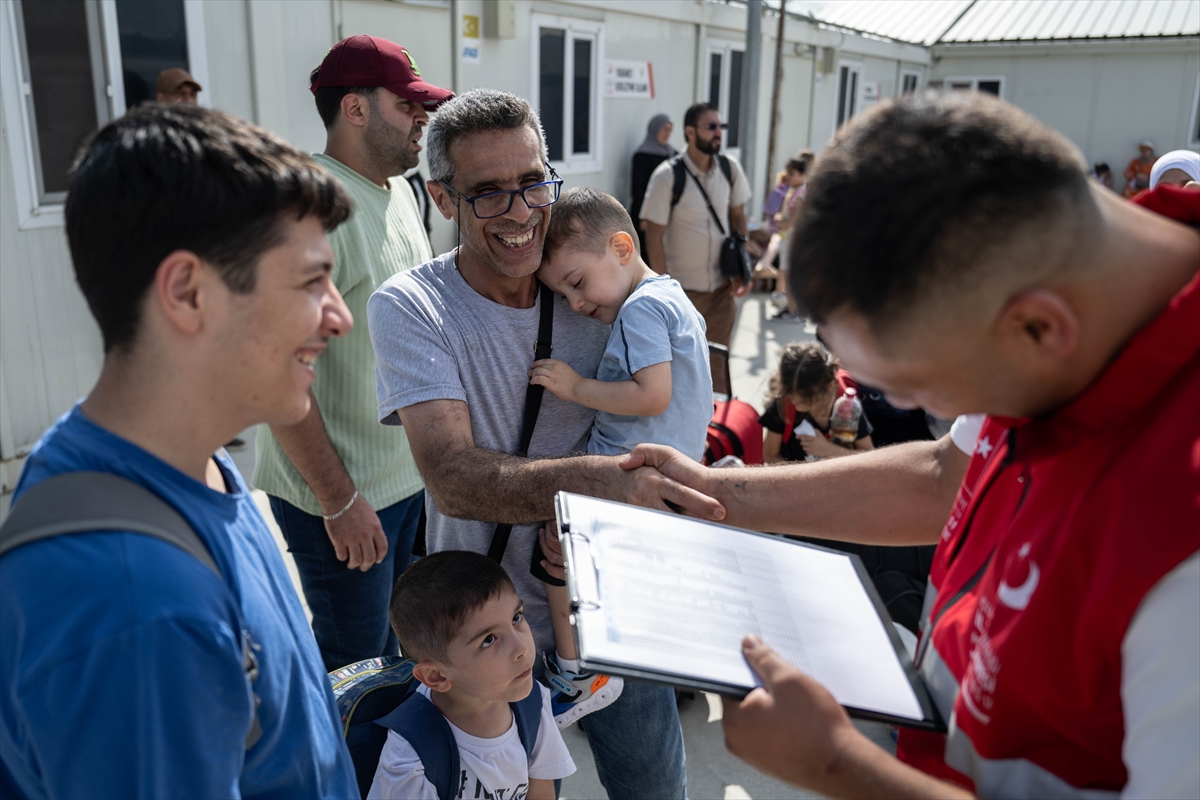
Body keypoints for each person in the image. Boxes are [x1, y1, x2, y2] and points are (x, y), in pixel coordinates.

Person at [622, 91, 1200, 798]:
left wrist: (839, 766)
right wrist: (719, 493)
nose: (916, 411)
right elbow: (941, 474)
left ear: (1039, 328)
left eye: (921, 386)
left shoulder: (1184, 550)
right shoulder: (1072, 302)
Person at [367, 88, 723, 800]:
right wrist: (614, 484)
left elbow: (676, 401)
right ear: (442, 199)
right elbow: (454, 478)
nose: (521, 211)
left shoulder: (590, 284)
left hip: (615, 607)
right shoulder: (413, 306)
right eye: (488, 193)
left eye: (533, 183)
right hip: (485, 635)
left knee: (653, 787)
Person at [0, 104, 358, 798]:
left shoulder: (172, 464)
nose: (339, 315)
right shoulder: (138, 606)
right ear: (188, 293)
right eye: (311, 281)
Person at [254, 36, 452, 672]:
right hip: (340, 497)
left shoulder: (400, 192)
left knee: (402, 658)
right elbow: (274, 372)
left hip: (404, 481)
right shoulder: (314, 211)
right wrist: (339, 502)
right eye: (407, 105)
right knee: (354, 669)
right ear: (356, 109)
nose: (422, 119)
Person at [529, 187, 712, 726]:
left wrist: (575, 387)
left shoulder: (641, 309)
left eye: (577, 282)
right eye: (563, 295)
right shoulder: (673, 298)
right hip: (664, 473)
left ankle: (577, 672)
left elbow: (651, 395)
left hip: (629, 473)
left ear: (622, 248)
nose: (575, 304)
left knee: (555, 552)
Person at [368, 551, 575, 800]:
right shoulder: (410, 756)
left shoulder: (533, 703)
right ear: (436, 676)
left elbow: (541, 793)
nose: (521, 648)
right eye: (488, 640)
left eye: (516, 618)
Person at [640, 102, 752, 347]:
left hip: (722, 290)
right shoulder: (667, 176)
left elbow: (738, 217)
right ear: (690, 132)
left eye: (721, 126)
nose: (718, 132)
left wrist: (742, 268)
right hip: (684, 294)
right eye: (711, 126)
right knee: (684, 364)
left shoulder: (730, 168)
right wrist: (665, 291)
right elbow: (653, 236)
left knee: (719, 361)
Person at [760, 342, 872, 463]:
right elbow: (770, 456)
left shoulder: (847, 407)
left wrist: (830, 450)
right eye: (791, 397)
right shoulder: (783, 405)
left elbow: (868, 458)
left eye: (804, 400)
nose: (796, 406)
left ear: (829, 386)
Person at [630, 114, 676, 261]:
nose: (667, 133)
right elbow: (638, 189)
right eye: (664, 129)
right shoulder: (642, 155)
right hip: (647, 213)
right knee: (647, 254)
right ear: (654, 130)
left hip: (667, 212)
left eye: (670, 130)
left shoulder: (673, 154)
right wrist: (643, 217)